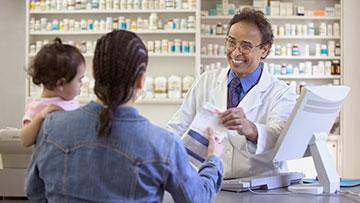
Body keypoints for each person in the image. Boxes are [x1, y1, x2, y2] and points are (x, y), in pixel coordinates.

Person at [25, 30, 224, 202]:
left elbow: (34, 191)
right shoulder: (163, 144)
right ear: (141, 81)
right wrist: (213, 160)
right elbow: (196, 197)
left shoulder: (51, 126)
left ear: (94, 72)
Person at [167, 8, 297, 178]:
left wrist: (251, 129)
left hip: (260, 186)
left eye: (246, 46)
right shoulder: (205, 81)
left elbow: (281, 139)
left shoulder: (281, 92)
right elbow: (179, 126)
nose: (236, 52)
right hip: (212, 182)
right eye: (231, 42)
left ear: (264, 50)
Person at [20, 38, 86, 147]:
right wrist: (40, 116)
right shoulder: (39, 107)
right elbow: (25, 141)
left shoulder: (72, 102)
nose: (81, 84)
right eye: (79, 80)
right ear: (61, 83)